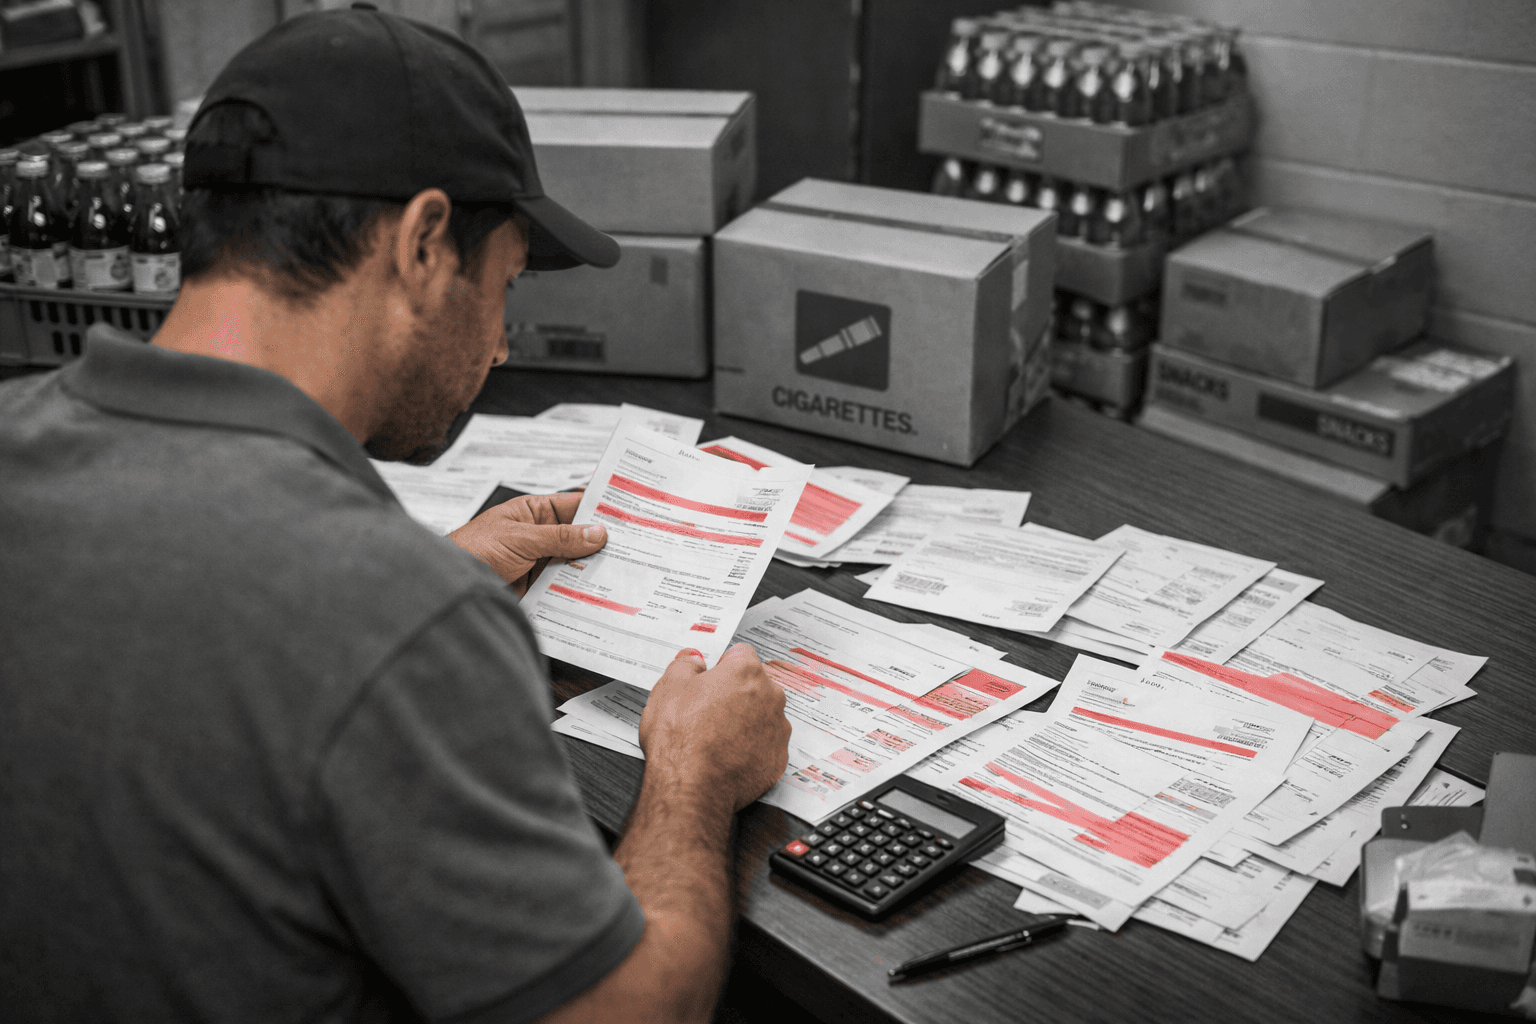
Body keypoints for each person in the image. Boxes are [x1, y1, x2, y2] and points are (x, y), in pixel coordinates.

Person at [0, 7, 791, 1023]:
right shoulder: (397, 617)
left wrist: (418, 572)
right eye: (506, 285)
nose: (502, 346)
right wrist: (695, 775)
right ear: (422, 243)